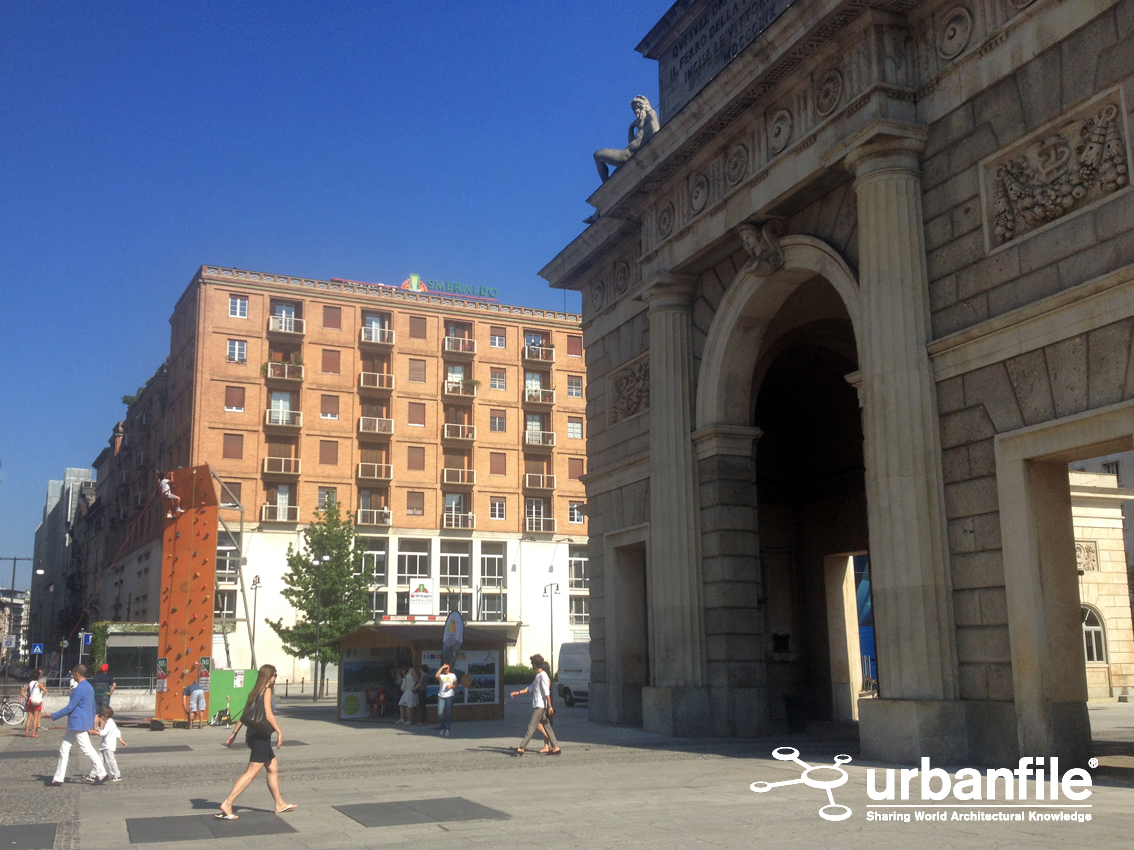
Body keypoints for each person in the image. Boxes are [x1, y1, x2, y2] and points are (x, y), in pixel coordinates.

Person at [218, 664, 296, 819]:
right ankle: (227, 803)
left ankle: (279, 803)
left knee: (273, 767)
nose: (275, 678)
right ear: (269, 677)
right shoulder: (266, 691)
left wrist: (234, 733)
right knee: (251, 773)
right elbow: (268, 714)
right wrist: (279, 731)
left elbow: (244, 715)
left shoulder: (254, 691)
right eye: (274, 675)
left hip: (253, 735)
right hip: (261, 737)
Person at [49, 664, 108, 785]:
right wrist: (90, 722)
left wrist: (53, 715)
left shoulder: (80, 689)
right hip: (80, 722)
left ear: (77, 674)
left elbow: (70, 707)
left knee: (86, 749)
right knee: (64, 748)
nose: (72, 676)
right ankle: (58, 778)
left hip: (77, 723)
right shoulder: (89, 687)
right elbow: (93, 706)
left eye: (73, 674)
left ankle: (102, 773)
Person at [593, 95, 660, 183]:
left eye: (637, 109)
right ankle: (607, 185)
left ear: (643, 106)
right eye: (634, 111)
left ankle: (606, 184)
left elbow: (655, 129)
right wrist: (631, 128)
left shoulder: (651, 113)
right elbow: (632, 143)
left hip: (626, 156)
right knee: (614, 179)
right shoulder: (641, 125)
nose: (636, 112)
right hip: (627, 155)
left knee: (597, 155)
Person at [510, 654, 561, 756]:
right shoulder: (538, 676)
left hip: (540, 706)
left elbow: (546, 692)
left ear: (535, 664)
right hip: (540, 705)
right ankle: (556, 747)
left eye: (532, 663)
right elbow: (530, 688)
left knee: (532, 726)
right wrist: (518, 693)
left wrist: (550, 706)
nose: (532, 666)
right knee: (547, 726)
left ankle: (522, 747)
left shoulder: (543, 676)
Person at [86, 706, 126, 783]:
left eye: (102, 715)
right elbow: (117, 732)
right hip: (105, 745)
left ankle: (117, 775)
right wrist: (121, 740)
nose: (101, 717)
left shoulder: (110, 723)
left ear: (105, 716)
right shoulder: (111, 723)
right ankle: (93, 775)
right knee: (99, 760)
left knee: (110, 761)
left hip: (108, 746)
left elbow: (103, 733)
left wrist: (94, 732)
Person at [435, 663, 457, 738]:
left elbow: (456, 685)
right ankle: (442, 727)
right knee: (440, 713)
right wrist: (442, 667)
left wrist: (451, 686)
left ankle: (447, 728)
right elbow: (436, 676)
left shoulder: (453, 675)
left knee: (448, 713)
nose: (446, 669)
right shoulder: (441, 675)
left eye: (447, 668)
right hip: (441, 695)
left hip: (450, 696)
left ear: (449, 668)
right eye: (445, 668)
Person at [21, 669, 44, 738]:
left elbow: (22, 691)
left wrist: (26, 697)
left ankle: (26, 733)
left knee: (29, 718)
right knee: (35, 717)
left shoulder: (29, 683)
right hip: (36, 701)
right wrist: (41, 696)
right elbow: (45, 690)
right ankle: (33, 733)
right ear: (38, 676)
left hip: (30, 700)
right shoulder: (39, 684)